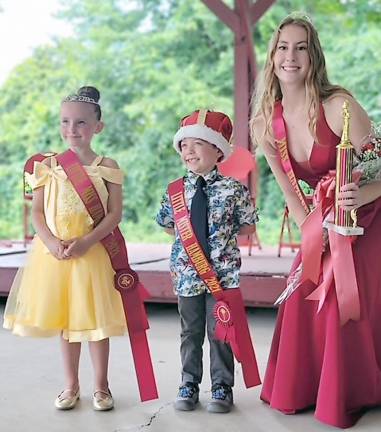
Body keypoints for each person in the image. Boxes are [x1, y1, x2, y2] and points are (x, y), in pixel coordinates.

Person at [250, 13, 381, 428]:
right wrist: (316, 235)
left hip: (370, 216)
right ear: (272, 57)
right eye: (283, 47)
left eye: (301, 47)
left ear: (314, 56)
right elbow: (292, 193)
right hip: (322, 221)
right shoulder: (264, 124)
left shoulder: (339, 105)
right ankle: (310, 387)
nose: (291, 56)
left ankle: (355, 389)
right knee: (304, 287)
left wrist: (363, 193)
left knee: (347, 293)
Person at [3, 86, 128, 411]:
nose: (72, 130)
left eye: (81, 123)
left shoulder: (107, 165)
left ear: (98, 126)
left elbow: (115, 214)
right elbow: (37, 211)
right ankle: (71, 385)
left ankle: (102, 386)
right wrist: (50, 242)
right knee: (66, 321)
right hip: (56, 255)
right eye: (65, 122)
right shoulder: (45, 167)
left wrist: (87, 240)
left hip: (92, 253)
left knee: (96, 320)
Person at [156, 109, 259, 413]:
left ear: (217, 151)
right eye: (183, 145)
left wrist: (221, 238)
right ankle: (188, 382)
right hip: (187, 276)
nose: (188, 151)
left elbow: (248, 225)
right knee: (190, 332)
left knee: (221, 331)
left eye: (197, 144)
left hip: (222, 277)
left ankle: (221, 386)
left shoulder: (233, 189)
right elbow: (165, 222)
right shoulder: (174, 190)